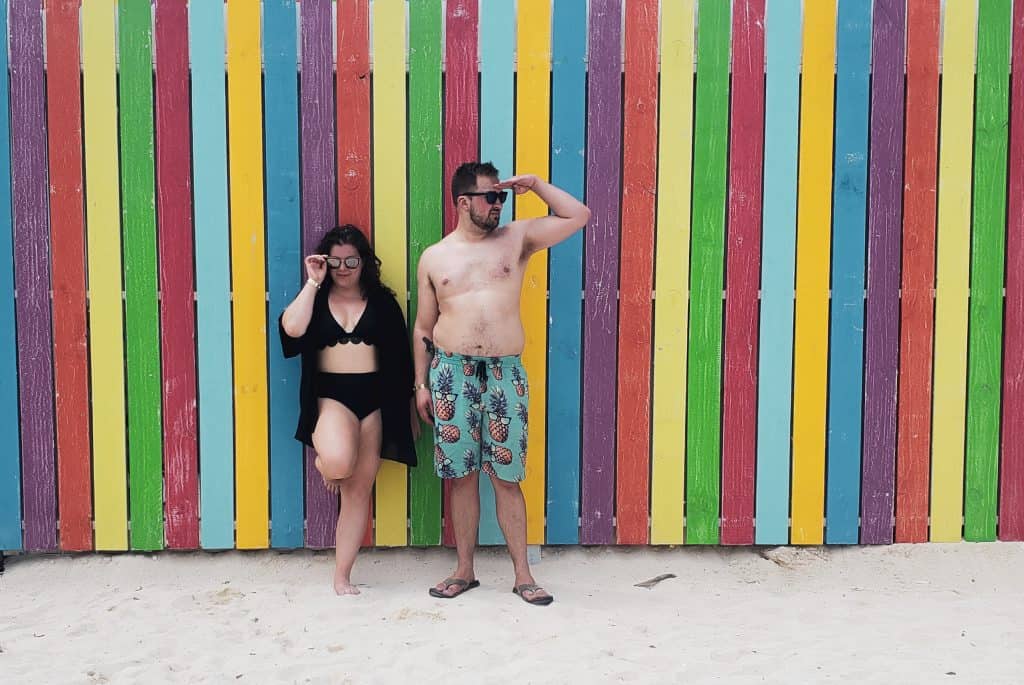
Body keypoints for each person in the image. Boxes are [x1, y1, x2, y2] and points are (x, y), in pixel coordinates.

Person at [413, 162, 590, 606]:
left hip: (503, 375)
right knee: (462, 477)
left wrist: (537, 185)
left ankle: (523, 576)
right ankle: (464, 570)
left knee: (508, 476)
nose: (498, 204)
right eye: (490, 196)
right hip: (451, 374)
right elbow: (422, 327)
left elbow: (578, 215)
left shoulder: (516, 239)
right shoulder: (435, 257)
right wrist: (421, 384)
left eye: (501, 197)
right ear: (463, 202)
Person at [279, 225, 418, 595]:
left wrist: (407, 410)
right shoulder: (317, 297)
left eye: (351, 261)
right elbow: (291, 331)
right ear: (325, 262)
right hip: (332, 399)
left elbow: (402, 360)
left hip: (376, 401)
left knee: (357, 493)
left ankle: (342, 575)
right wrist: (312, 282)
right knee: (340, 464)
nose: (343, 268)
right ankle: (327, 463)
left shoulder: (383, 302)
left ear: (364, 262)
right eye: (335, 261)